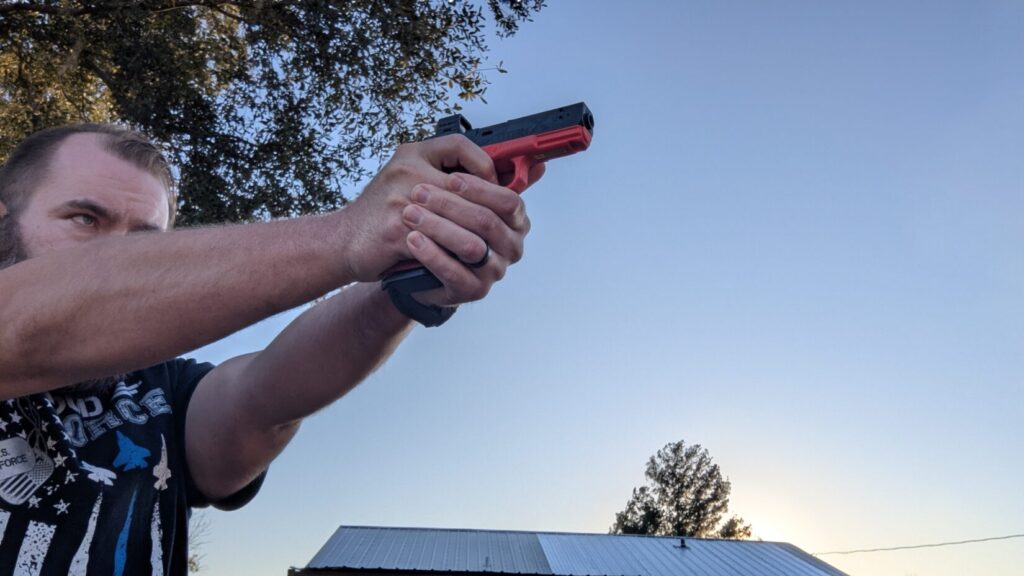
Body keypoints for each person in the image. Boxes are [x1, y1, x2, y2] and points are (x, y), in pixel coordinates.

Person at [0, 123, 542, 574]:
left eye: (145, 244)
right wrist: (347, 234)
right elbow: (25, 323)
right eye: (84, 219)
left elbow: (265, 400)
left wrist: (404, 278)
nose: (118, 259)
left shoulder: (156, 388)